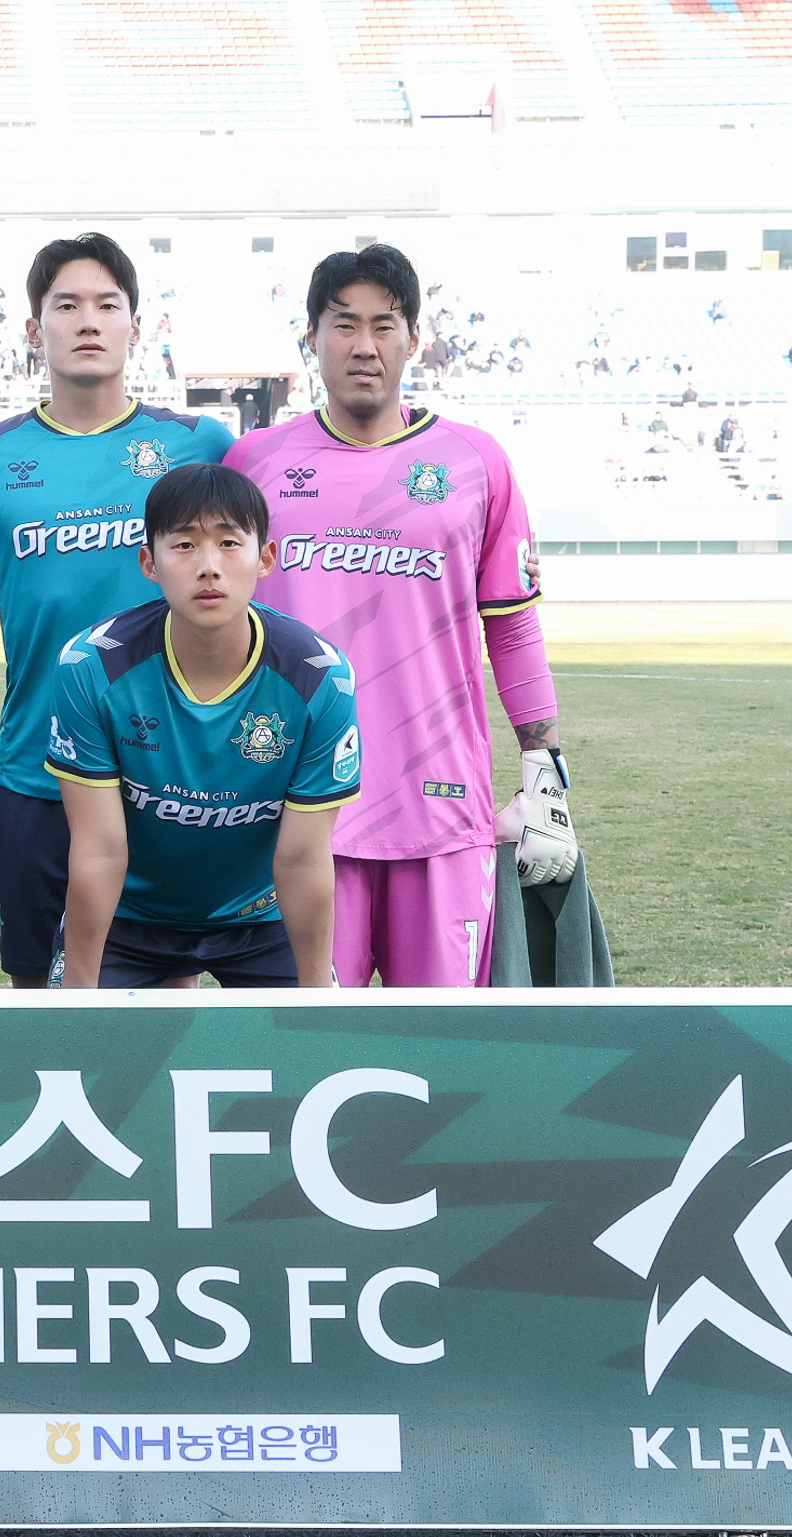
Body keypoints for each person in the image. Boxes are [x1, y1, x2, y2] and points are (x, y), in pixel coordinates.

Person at [225, 243, 569, 991]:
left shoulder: (477, 462)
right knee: (304, 1042)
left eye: (384, 325)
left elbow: (511, 623)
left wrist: (545, 772)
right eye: (344, 324)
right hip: (297, 813)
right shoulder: (253, 462)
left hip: (440, 812)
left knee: (444, 1043)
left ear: (413, 339)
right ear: (312, 337)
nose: (364, 345)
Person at [0, 232, 236, 987]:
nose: (88, 321)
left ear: (136, 325)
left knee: (166, 988)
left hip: (168, 774)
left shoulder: (199, 443)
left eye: (107, 304)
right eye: (66, 305)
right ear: (34, 329)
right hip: (36, 770)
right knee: (39, 994)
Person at [45, 465, 359, 989]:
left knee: (310, 1037)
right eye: (185, 545)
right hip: (129, 917)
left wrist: (315, 1000)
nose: (209, 567)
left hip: (262, 917)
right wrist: (80, 1002)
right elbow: (100, 850)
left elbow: (303, 859)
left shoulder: (320, 678)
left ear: (266, 558)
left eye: (229, 543)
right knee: (76, 1037)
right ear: (149, 562)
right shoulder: (92, 666)